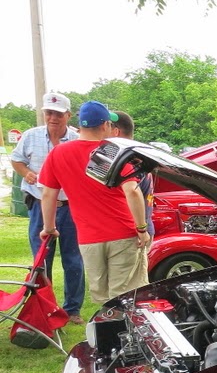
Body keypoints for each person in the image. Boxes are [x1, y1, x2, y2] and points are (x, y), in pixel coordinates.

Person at [38, 101, 151, 304]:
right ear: (105, 125)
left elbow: (48, 195)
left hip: (89, 238)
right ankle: (124, 333)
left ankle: (106, 332)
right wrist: (142, 228)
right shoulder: (113, 152)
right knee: (126, 294)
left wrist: (49, 228)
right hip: (123, 234)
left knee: (101, 296)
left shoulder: (58, 153)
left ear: (81, 125)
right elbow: (132, 192)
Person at [10, 92, 86, 324]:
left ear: (68, 115)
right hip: (39, 205)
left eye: (57, 114)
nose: (52, 117)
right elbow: (16, 159)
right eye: (48, 113)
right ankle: (46, 305)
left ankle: (72, 309)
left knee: (73, 259)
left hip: (69, 207)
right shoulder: (31, 136)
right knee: (42, 259)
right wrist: (26, 173)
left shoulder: (77, 140)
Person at [112, 111, 155, 240]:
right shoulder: (138, 154)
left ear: (115, 132)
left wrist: (141, 229)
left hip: (134, 232)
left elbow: (133, 193)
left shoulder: (128, 159)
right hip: (141, 228)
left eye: (106, 127)